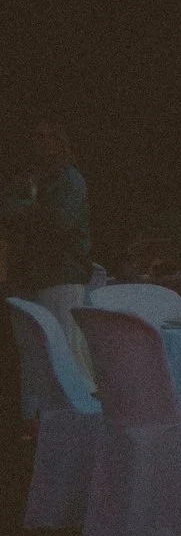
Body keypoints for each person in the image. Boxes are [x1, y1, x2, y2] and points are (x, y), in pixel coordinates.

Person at [3, 119, 95, 374]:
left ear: (60, 142)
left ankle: (79, 399)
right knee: (33, 351)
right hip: (27, 278)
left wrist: (30, 212)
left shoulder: (70, 179)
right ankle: (39, 401)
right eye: (36, 137)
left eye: (48, 137)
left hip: (61, 277)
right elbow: (5, 207)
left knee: (66, 347)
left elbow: (58, 222)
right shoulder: (27, 178)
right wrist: (31, 209)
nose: (41, 143)